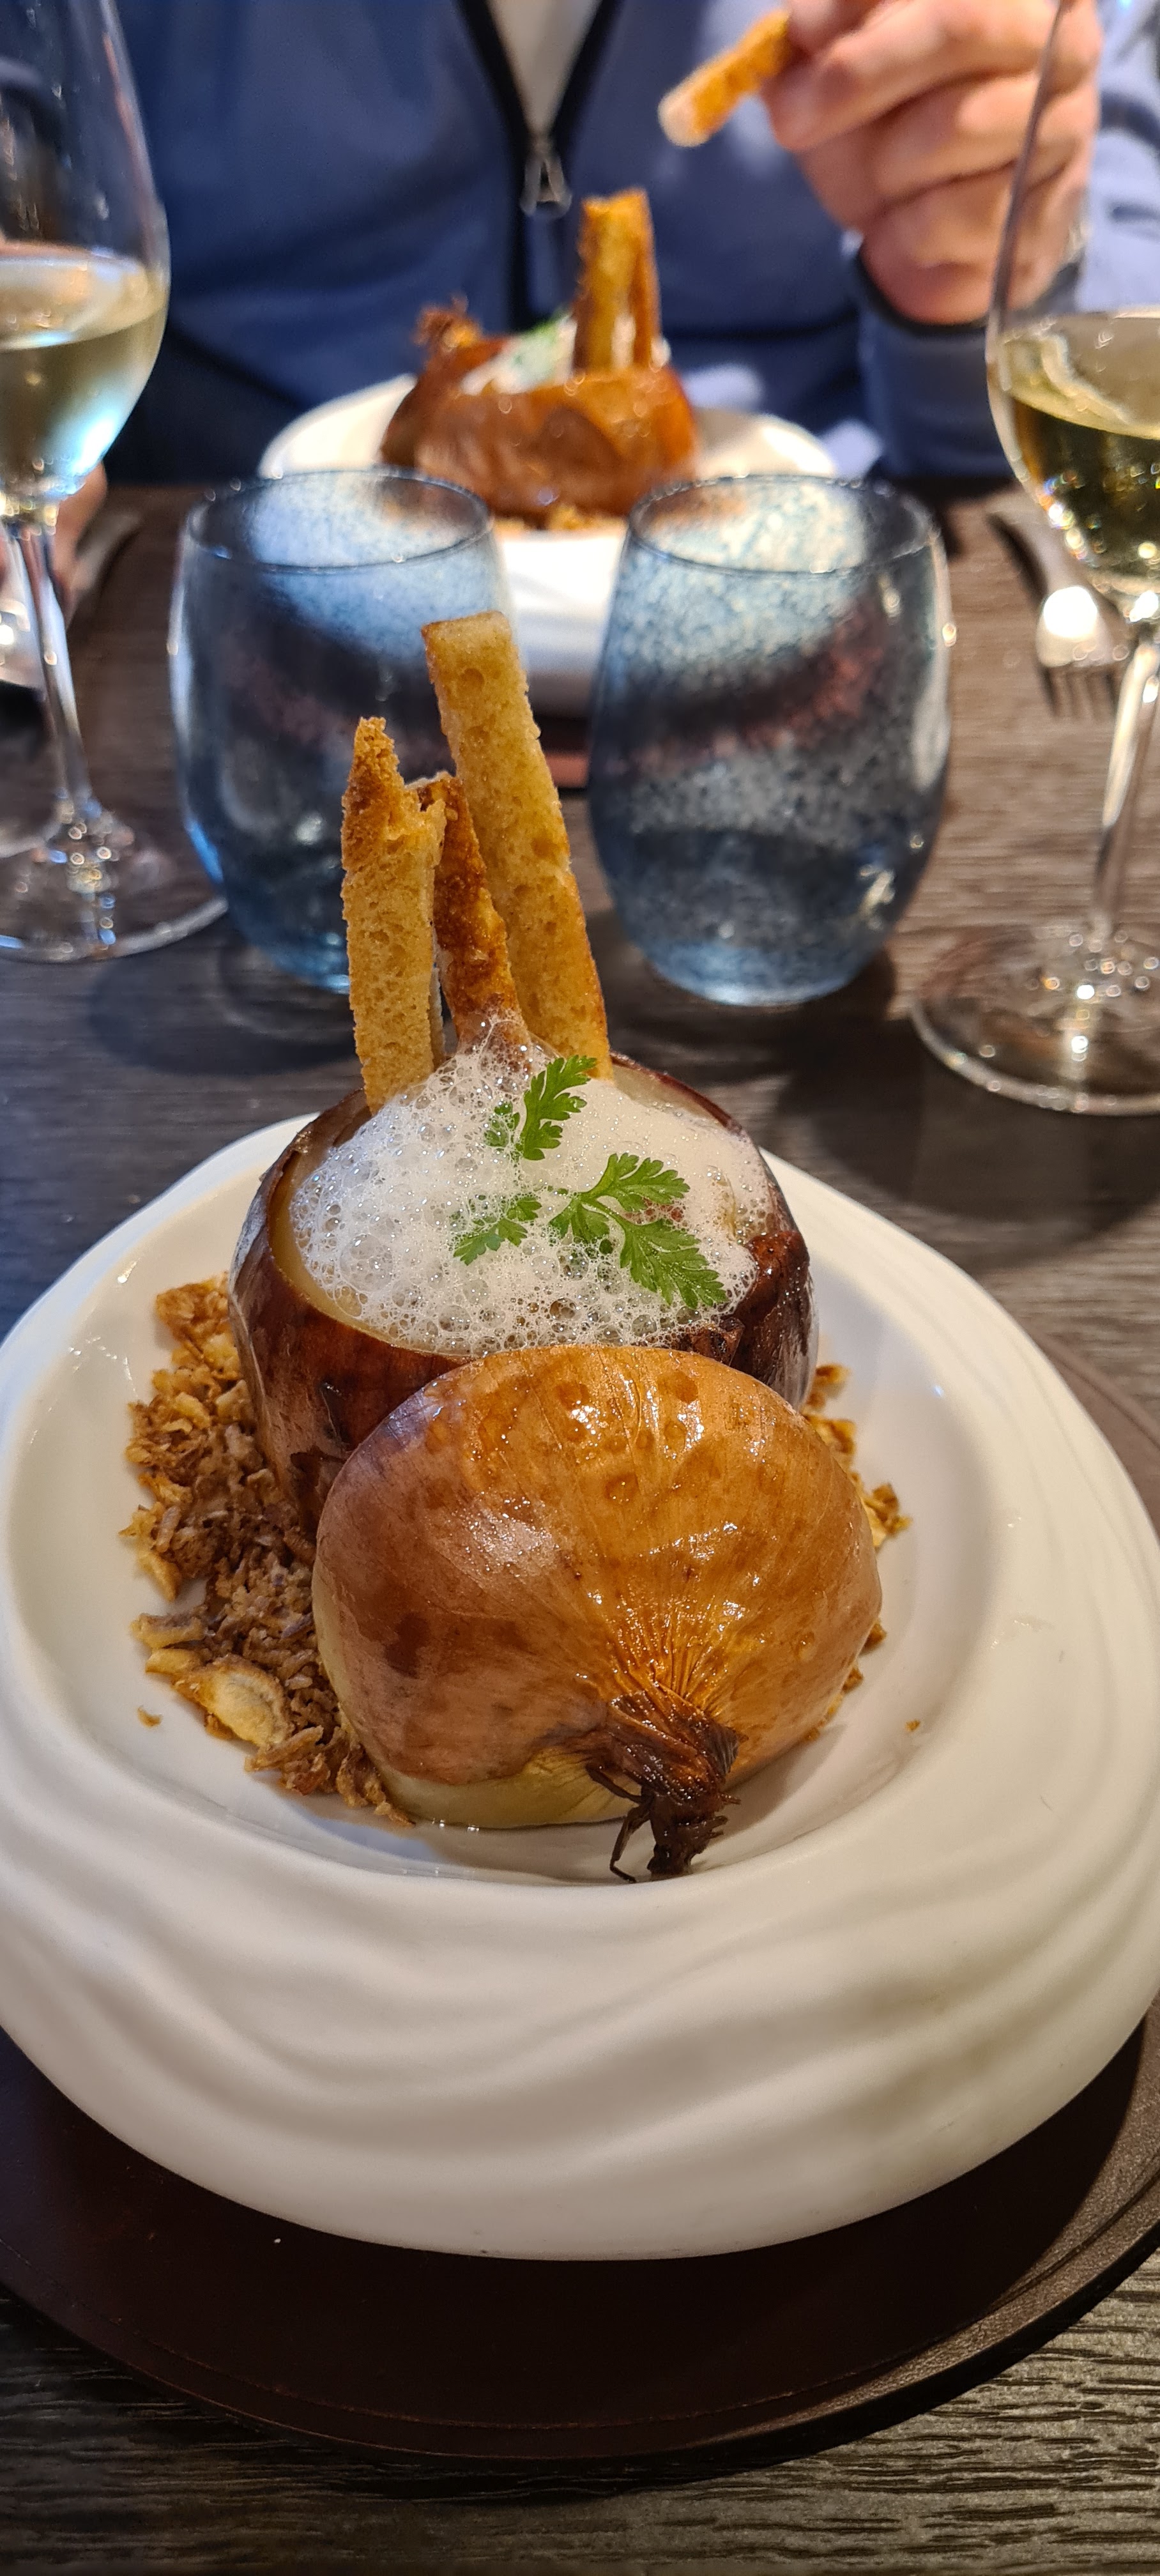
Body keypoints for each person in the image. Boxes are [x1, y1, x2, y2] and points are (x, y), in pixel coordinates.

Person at [108, 0, 1148, 485]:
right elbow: (51, 255)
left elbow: (1116, 391)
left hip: (832, 595)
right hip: (220, 600)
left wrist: (976, 288)